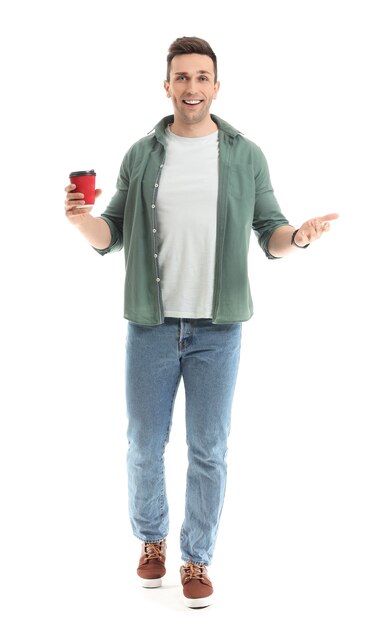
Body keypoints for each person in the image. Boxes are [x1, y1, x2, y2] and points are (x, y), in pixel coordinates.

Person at [64, 36, 338, 609]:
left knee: (208, 447)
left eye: (202, 77)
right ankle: (152, 542)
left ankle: (197, 556)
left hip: (219, 329)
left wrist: (301, 238)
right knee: (144, 443)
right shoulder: (142, 154)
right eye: (182, 78)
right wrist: (80, 219)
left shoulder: (245, 154)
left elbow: (272, 232)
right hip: (152, 324)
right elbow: (110, 234)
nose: (192, 88)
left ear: (217, 86)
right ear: (167, 86)